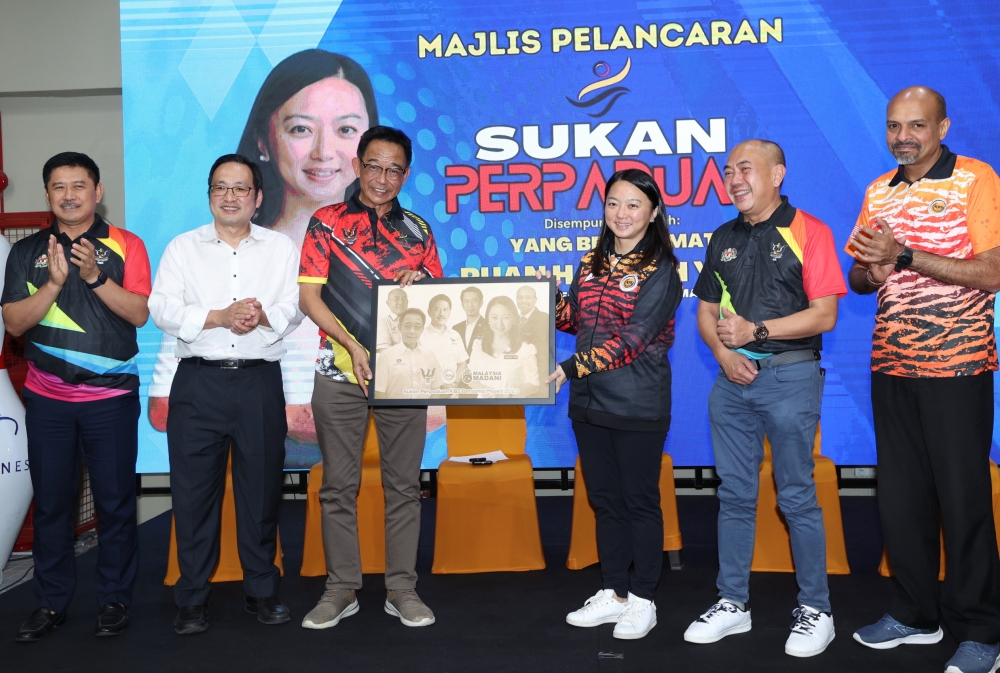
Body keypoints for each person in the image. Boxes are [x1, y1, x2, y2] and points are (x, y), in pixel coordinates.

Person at [148, 49, 378, 453]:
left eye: (346, 130)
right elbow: (163, 406)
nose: (324, 152)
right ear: (264, 142)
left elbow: (426, 398)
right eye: (301, 129)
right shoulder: (223, 249)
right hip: (247, 417)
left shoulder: (387, 251)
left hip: (362, 440)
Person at [847, 86, 1000, 673]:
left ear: (943, 126)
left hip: (957, 367)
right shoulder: (878, 190)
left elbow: (991, 272)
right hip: (891, 364)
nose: (902, 136)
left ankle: (981, 628)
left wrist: (906, 256)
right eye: (893, 126)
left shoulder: (976, 178)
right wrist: (872, 268)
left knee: (964, 501)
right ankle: (914, 613)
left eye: (916, 125)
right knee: (902, 499)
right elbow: (863, 277)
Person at [683, 140, 846, 657]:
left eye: (745, 169)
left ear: (778, 173)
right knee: (733, 495)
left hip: (792, 376)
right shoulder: (722, 238)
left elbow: (825, 315)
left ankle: (816, 610)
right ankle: (733, 603)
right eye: (728, 171)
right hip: (732, 381)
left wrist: (756, 331)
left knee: (795, 493)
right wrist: (725, 355)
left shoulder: (810, 231)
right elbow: (707, 313)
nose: (734, 179)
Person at [148, 154, 303, 635]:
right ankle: (192, 598)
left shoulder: (281, 248)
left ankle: (262, 589)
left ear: (258, 198)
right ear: (210, 195)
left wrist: (264, 316)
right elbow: (161, 308)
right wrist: (217, 316)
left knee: (260, 494)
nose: (230, 196)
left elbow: (297, 304)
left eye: (241, 188)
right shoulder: (182, 247)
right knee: (193, 497)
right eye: (221, 188)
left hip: (258, 382)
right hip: (198, 382)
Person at [298, 126, 442, 630]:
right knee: (339, 486)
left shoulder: (420, 231)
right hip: (337, 372)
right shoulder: (327, 222)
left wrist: (423, 283)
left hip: (404, 374)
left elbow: (435, 305)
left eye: (394, 169)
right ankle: (341, 588)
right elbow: (310, 298)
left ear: (407, 173)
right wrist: (354, 347)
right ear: (357, 166)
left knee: (404, 487)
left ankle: (402, 588)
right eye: (374, 166)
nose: (383, 178)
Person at [3, 152, 151, 641]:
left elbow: (138, 314)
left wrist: (93, 277)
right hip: (47, 401)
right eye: (58, 187)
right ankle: (49, 604)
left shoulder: (127, 245)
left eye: (79, 185)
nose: (69, 195)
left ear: (97, 192)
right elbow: (15, 324)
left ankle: (114, 600)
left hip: (110, 400)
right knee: (52, 506)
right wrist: (54, 284)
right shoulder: (25, 254)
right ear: (47, 195)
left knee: (114, 504)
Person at [551, 169, 682, 640]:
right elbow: (575, 322)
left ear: (652, 212)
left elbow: (633, 340)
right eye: (612, 203)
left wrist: (570, 368)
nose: (621, 214)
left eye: (632, 204)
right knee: (605, 502)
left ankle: (643, 599)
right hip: (589, 404)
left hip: (637, 405)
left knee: (639, 502)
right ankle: (613, 592)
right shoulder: (590, 261)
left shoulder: (663, 269)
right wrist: (544, 300)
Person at [466, 296, 540, 398]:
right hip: (483, 408)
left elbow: (533, 384)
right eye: (494, 317)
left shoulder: (526, 349)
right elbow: (470, 378)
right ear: (488, 318)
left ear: (514, 318)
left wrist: (508, 394)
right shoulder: (478, 345)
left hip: (512, 409)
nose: (499, 323)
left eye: (505, 317)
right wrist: (489, 392)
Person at [375, 308, 443, 399]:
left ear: (422, 329)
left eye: (417, 326)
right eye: (407, 326)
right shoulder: (387, 355)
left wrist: (429, 409)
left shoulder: (430, 355)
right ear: (400, 327)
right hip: (394, 411)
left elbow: (436, 389)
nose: (412, 331)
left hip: (423, 412)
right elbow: (379, 392)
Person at [419, 293, 468, 387]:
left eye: (445, 310)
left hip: (453, 390)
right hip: (430, 389)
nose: (442, 313)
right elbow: (419, 366)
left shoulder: (455, 334)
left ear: (449, 312)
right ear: (429, 312)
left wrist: (454, 383)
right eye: (437, 309)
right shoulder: (421, 336)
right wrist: (440, 385)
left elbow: (462, 363)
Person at [516, 284, 549, 380]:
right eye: (520, 297)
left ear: (535, 300)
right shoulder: (513, 320)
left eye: (528, 297)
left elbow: (542, 348)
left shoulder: (544, 319)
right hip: (516, 374)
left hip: (537, 373)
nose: (523, 301)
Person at [453, 286, 488, 353]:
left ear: (481, 303)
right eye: (467, 301)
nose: (470, 305)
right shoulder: (456, 329)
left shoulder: (488, 326)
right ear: (462, 305)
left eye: (474, 301)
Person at [375, 288, 408, 352]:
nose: (401, 302)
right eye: (396, 299)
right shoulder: (382, 323)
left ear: (407, 302)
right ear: (388, 303)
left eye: (404, 298)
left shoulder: (415, 320)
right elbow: (385, 353)